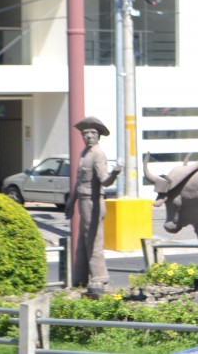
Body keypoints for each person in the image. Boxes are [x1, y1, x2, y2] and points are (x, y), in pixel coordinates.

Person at [65, 116, 122, 294]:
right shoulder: (84, 154)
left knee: (94, 239)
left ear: (98, 136)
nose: (88, 136)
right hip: (83, 202)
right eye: (85, 133)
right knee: (83, 240)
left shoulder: (98, 154)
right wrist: (71, 201)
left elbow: (105, 181)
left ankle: (100, 278)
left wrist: (114, 173)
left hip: (93, 202)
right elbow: (78, 182)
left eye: (93, 133)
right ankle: (80, 277)